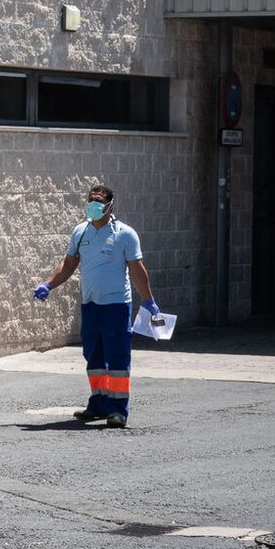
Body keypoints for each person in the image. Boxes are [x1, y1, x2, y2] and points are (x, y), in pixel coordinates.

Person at [33, 184, 161, 429]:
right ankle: (98, 404)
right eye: (91, 200)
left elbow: (136, 269)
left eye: (99, 202)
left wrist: (149, 300)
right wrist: (48, 285)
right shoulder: (81, 232)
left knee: (117, 358)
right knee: (93, 356)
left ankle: (118, 410)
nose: (94, 205)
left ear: (110, 205)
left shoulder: (125, 234)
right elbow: (69, 264)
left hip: (116, 306)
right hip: (91, 306)